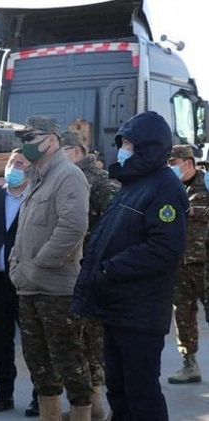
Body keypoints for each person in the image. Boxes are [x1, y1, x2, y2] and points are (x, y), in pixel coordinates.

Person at [72, 111, 189, 420]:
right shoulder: (133, 183)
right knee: (119, 390)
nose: (122, 149)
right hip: (117, 306)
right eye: (122, 142)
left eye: (129, 143)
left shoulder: (164, 188)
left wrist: (111, 269)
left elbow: (165, 247)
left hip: (140, 312)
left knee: (141, 393)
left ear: (148, 147)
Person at [8, 116, 92, 421]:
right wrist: (16, 267)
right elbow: (23, 231)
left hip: (57, 291)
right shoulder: (38, 178)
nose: (26, 144)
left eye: (32, 137)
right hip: (29, 288)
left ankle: (83, 414)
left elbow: (73, 228)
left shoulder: (67, 176)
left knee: (69, 362)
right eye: (24, 137)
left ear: (52, 140)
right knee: (39, 365)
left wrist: (37, 264)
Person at [61, 131, 121, 420]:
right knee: (78, 342)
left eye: (60, 150)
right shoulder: (66, 179)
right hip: (74, 273)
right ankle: (87, 406)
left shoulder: (98, 182)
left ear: (75, 151)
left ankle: (99, 406)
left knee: (94, 342)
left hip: (94, 273)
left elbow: (119, 227)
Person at [0, 149, 39, 415]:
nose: (14, 167)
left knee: (34, 342)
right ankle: (3, 395)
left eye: (21, 163)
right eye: (11, 162)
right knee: (0, 342)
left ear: (31, 169)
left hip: (25, 281)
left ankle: (41, 396)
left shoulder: (37, 197)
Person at [166, 144, 209, 384]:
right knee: (183, 316)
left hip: (204, 263)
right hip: (179, 265)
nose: (170, 168)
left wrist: (197, 210)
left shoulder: (207, 182)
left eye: (173, 163)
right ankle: (189, 365)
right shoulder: (170, 188)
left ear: (188, 163)